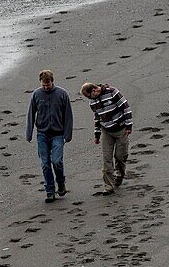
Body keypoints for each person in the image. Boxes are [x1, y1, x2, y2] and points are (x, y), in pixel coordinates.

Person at [25, 69, 73, 203]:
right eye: (43, 85)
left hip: (58, 134)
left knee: (57, 161)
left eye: (48, 84)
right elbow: (31, 114)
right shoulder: (36, 94)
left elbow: (68, 115)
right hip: (42, 134)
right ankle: (50, 191)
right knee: (45, 164)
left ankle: (61, 183)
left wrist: (67, 134)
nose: (46, 87)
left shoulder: (62, 94)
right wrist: (29, 133)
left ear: (52, 81)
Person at [80, 82, 133, 194]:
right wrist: (97, 135)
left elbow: (126, 107)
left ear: (94, 90)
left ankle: (119, 174)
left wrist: (129, 125)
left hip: (121, 129)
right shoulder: (92, 102)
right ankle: (109, 185)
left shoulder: (112, 92)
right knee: (107, 159)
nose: (90, 99)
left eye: (89, 96)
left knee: (120, 156)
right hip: (106, 131)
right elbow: (97, 118)